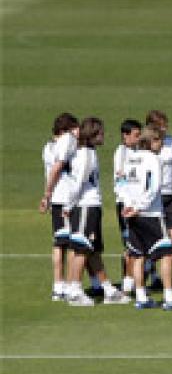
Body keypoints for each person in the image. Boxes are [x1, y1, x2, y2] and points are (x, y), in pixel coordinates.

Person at [120, 125, 172, 310]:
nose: (162, 144)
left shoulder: (130, 158)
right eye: (159, 140)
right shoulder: (153, 159)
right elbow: (153, 188)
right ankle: (169, 298)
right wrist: (139, 207)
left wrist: (129, 205)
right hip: (151, 214)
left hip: (132, 214)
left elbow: (122, 184)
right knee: (167, 254)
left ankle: (141, 297)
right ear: (151, 141)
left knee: (138, 255)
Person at [62, 117, 130, 306]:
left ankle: (108, 290)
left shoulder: (89, 152)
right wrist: (68, 206)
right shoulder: (85, 154)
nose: (103, 135)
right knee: (82, 249)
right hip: (86, 206)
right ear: (92, 134)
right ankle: (75, 291)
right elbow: (79, 183)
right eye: (100, 132)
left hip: (91, 206)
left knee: (93, 251)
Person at [40, 113, 79, 301]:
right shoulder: (68, 142)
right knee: (71, 244)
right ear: (65, 130)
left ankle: (58, 286)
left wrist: (48, 195)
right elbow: (57, 168)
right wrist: (47, 192)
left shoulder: (47, 147)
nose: (77, 132)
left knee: (58, 243)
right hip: (66, 198)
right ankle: (70, 286)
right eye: (74, 128)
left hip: (56, 199)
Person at [144, 110, 172, 290]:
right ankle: (151, 274)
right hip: (154, 195)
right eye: (161, 125)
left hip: (168, 193)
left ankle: (149, 261)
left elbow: (166, 160)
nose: (165, 128)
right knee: (154, 238)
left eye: (166, 124)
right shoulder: (144, 145)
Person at [113, 119, 142, 295]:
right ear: (125, 135)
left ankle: (133, 282)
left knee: (137, 243)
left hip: (137, 204)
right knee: (130, 245)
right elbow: (120, 177)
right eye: (135, 135)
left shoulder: (138, 151)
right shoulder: (121, 152)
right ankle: (127, 284)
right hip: (125, 205)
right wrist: (127, 201)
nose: (138, 139)